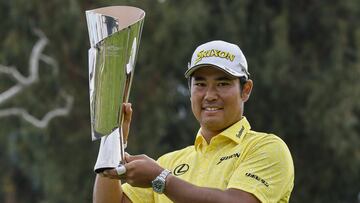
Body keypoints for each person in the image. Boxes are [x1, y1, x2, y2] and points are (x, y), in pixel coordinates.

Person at [93, 40, 294, 203]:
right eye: (200, 84)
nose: (210, 95)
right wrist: (112, 137)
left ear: (246, 90)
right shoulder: (169, 162)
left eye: (222, 83)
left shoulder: (266, 148)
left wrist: (162, 179)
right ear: (189, 91)